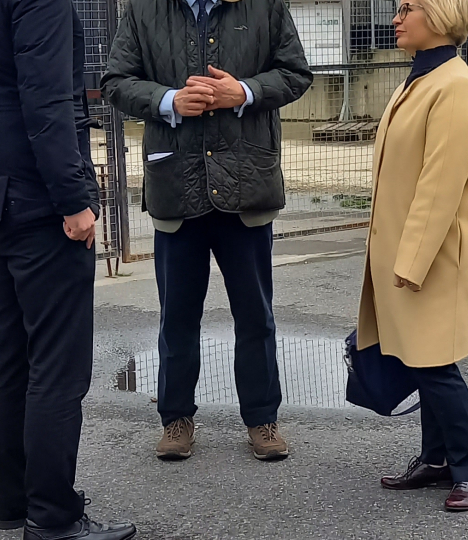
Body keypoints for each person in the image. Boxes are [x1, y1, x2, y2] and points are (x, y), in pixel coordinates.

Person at [0, 0, 136, 538]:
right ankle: (52, 515)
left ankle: (13, 503)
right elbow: (47, 98)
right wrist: (75, 199)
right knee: (57, 363)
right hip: (38, 196)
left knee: (9, 353)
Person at [102, 0, 312, 462]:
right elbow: (115, 81)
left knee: (255, 316)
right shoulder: (143, 11)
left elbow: (296, 72)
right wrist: (167, 100)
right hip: (178, 186)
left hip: (246, 187)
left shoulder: (265, 7)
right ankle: (175, 419)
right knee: (176, 316)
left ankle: (262, 418)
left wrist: (246, 91)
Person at [356, 0, 468, 512]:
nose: (395, 17)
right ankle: (437, 459)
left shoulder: (454, 87)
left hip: (436, 256)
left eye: (406, 7)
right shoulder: (420, 80)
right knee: (420, 358)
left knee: (434, 364)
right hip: (408, 253)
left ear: (438, 15)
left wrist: (409, 262)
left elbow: (439, 187)